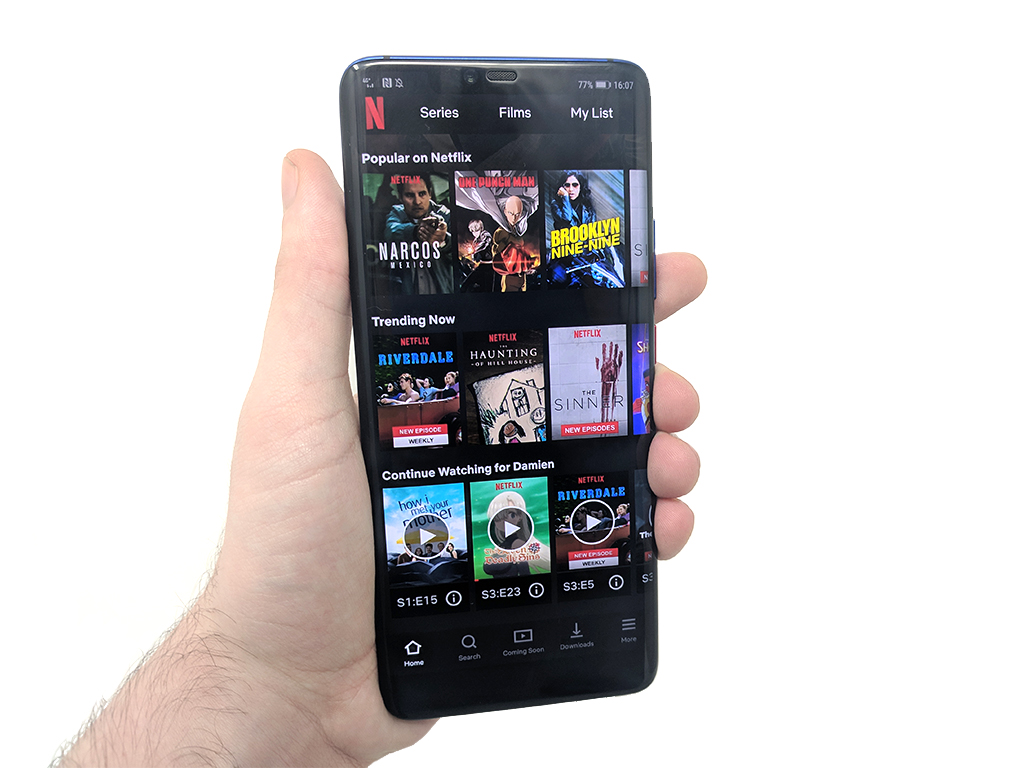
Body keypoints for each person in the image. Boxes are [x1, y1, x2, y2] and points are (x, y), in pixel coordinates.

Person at [54, 150, 705, 767]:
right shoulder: (420, 236)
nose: (425, 202)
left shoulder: (541, 233)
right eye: (415, 194)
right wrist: (271, 674)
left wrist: (270, 679)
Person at [383, 174, 454, 294]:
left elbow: (460, 252)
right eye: (410, 195)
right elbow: (391, 232)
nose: (417, 201)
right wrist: (415, 231)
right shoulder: (397, 213)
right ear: (400, 197)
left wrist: (444, 241)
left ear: (429, 194)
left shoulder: (445, 215)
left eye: (422, 194)